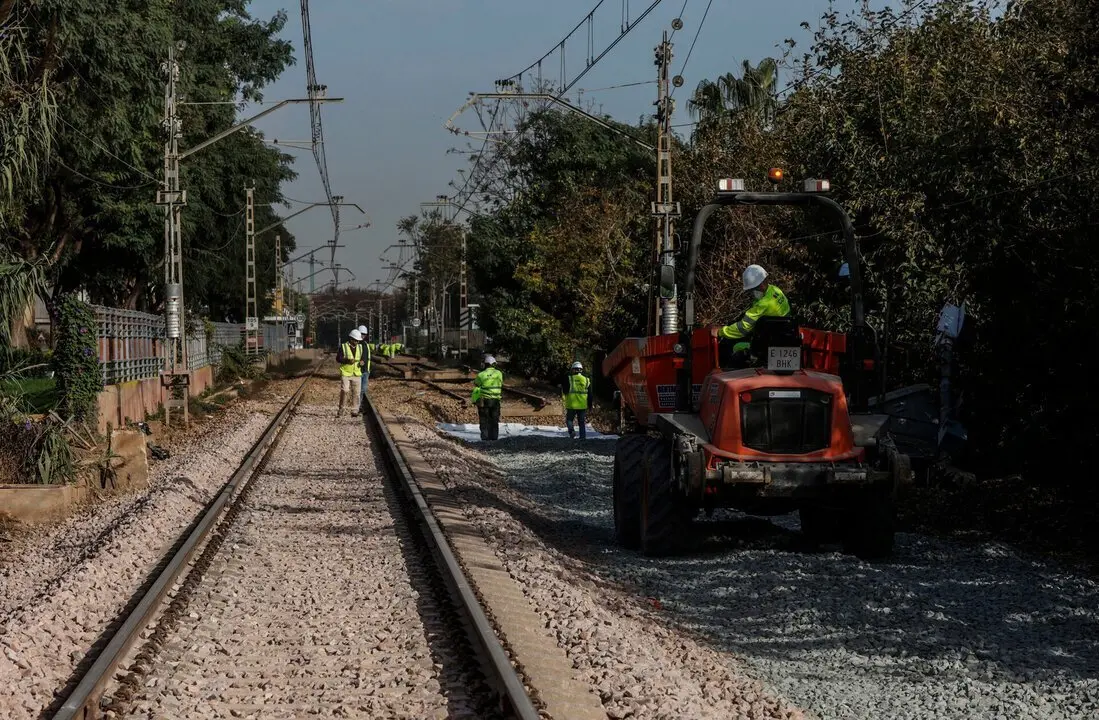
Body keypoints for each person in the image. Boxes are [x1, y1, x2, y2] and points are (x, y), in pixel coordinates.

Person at [715, 264, 791, 359]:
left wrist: (720, 332)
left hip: (765, 347)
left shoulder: (762, 304)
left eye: (755, 289)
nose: (753, 292)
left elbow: (743, 328)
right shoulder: (776, 291)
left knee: (737, 347)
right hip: (783, 341)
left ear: (763, 283)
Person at [470, 354, 503, 441]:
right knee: (494, 420)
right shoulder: (499, 374)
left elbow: (476, 384)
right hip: (496, 401)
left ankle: (485, 438)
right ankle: (494, 438)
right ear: (494, 364)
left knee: (484, 419)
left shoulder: (481, 374)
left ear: (485, 364)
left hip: (485, 400)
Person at [560, 360, 592, 440]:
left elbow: (565, 391)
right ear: (581, 370)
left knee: (569, 420)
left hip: (571, 404)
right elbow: (590, 394)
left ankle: (571, 431)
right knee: (581, 422)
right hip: (582, 405)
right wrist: (590, 405)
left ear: (573, 369)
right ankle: (582, 437)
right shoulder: (587, 380)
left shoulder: (569, 379)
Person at [336, 329, 364, 417]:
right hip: (346, 373)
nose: (357, 342)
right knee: (345, 390)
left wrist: (363, 362)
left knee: (356, 392)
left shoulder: (360, 347)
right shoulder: (343, 346)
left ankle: (355, 410)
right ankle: (342, 409)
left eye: (358, 340)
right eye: (355, 340)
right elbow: (338, 358)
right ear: (351, 339)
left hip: (357, 373)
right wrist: (347, 360)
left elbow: (364, 358)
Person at [356, 325, 373, 410]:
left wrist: (369, 369)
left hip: (366, 370)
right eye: (361, 333)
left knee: (364, 390)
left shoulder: (365, 344)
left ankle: (360, 406)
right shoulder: (355, 344)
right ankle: (357, 406)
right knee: (359, 390)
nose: (363, 335)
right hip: (358, 371)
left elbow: (367, 357)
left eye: (364, 334)